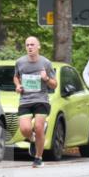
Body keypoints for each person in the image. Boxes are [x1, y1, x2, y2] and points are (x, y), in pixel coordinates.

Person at [14, 37, 57, 168]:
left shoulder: (46, 63)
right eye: (27, 45)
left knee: (38, 128)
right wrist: (18, 86)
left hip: (41, 99)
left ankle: (38, 158)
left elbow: (54, 85)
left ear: (38, 46)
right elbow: (16, 77)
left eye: (32, 44)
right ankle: (33, 138)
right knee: (25, 129)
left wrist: (46, 78)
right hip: (25, 100)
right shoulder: (20, 62)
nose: (30, 47)